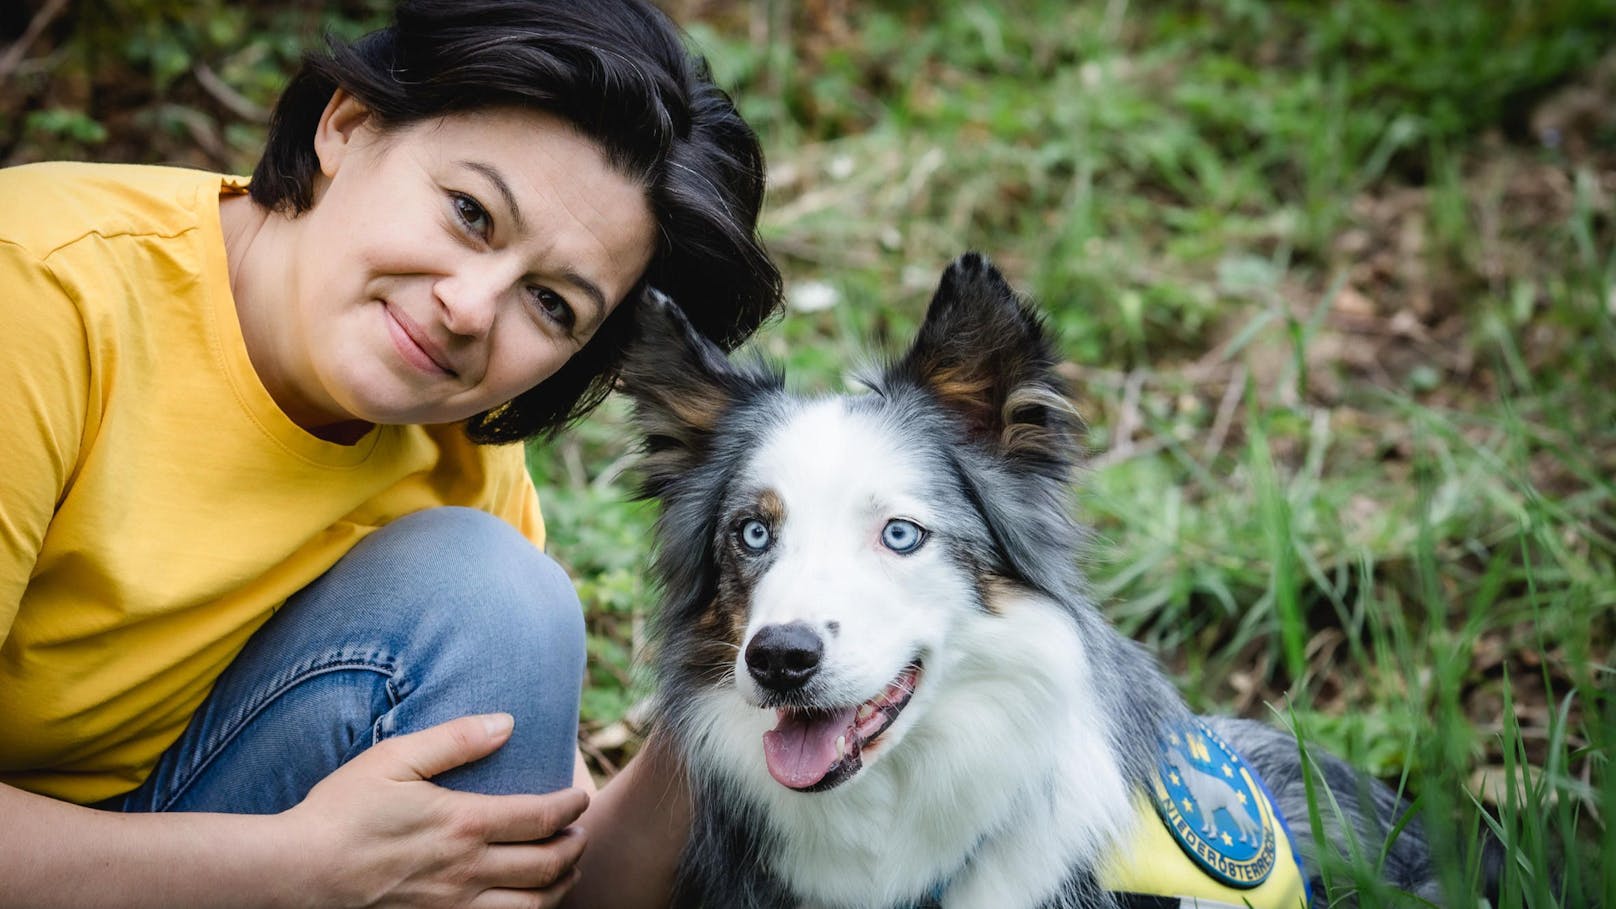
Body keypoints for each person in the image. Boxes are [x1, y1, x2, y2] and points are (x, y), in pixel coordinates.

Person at [0, 0, 779, 905]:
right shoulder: (38, 295)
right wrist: (297, 868)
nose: (472, 308)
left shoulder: (449, 440)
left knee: (493, 593)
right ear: (349, 124)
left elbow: (538, 868)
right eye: (469, 212)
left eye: (552, 303)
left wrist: (727, 698)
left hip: (175, 824)